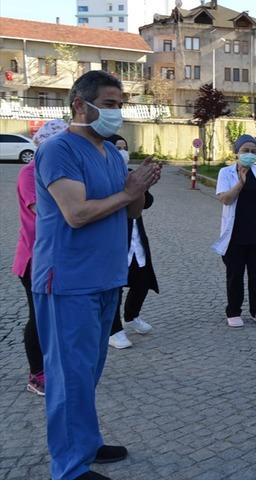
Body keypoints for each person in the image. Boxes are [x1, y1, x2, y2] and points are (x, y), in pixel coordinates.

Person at [32, 70, 161, 480]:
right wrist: (127, 191)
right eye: (108, 104)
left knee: (87, 372)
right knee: (68, 376)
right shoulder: (59, 150)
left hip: (105, 278)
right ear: (79, 105)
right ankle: (68, 469)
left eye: (120, 105)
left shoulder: (109, 153)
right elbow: (76, 213)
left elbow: (131, 211)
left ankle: (85, 443)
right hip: (67, 280)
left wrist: (138, 187)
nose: (116, 113)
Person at [13, 119, 68, 396]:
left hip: (62, 257)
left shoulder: (63, 172)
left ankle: (56, 363)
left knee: (59, 315)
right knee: (39, 317)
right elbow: (46, 213)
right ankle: (37, 374)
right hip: (35, 258)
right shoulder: (29, 173)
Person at [213, 134, 256, 327]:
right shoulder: (226, 173)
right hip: (234, 235)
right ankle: (233, 311)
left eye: (253, 151)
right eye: (245, 151)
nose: (249, 154)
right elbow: (225, 199)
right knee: (234, 275)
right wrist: (240, 182)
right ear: (236, 152)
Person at [106, 135, 159, 349]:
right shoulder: (104, 176)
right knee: (115, 287)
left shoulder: (130, 175)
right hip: (115, 240)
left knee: (142, 280)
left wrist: (142, 184)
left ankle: (132, 316)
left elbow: (146, 204)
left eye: (124, 148)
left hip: (136, 237)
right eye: (117, 148)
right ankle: (113, 330)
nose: (122, 152)